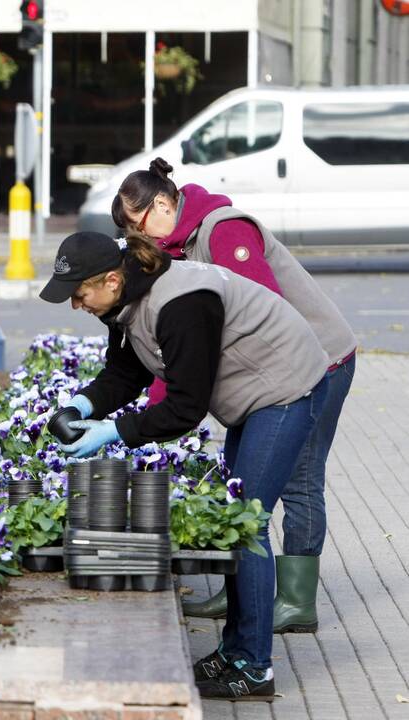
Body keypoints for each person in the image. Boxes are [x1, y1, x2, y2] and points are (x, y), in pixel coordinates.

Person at [42, 231, 329, 701]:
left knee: (248, 523)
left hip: (285, 388)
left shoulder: (181, 303)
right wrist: (80, 406)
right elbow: (125, 372)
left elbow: (185, 407)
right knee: (235, 519)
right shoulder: (127, 301)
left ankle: (254, 667)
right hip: (254, 395)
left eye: (79, 295)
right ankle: (235, 648)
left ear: (112, 279)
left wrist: (114, 432)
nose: (77, 305)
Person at [112, 158, 356, 634]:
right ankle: (244, 586)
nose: (141, 240)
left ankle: (296, 600)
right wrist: (156, 406)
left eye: (139, 226)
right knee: (239, 477)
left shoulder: (224, 232)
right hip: (264, 375)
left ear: (162, 203)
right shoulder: (179, 246)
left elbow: (267, 313)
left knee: (298, 479)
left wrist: (184, 392)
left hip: (317, 361)